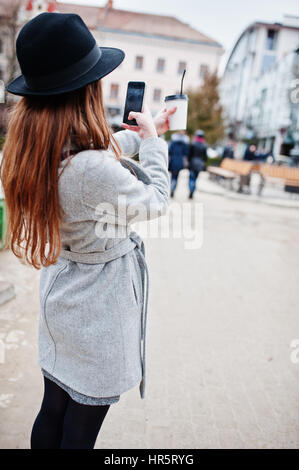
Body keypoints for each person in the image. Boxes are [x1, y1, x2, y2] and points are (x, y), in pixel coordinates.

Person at [1, 12, 176, 449]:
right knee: (80, 429)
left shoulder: (32, 145)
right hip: (96, 306)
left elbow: (93, 154)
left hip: (62, 294)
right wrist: (154, 145)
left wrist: (145, 133)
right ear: (85, 89)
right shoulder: (89, 169)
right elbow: (156, 200)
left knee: (54, 407)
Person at [168, 130, 189, 197]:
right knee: (176, 177)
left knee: (172, 176)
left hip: (173, 161)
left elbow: (169, 151)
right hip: (180, 162)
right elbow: (185, 154)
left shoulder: (173, 142)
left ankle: (172, 186)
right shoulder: (184, 143)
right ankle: (173, 188)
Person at [187, 129, 208, 199]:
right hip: (199, 164)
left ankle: (191, 188)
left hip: (192, 163)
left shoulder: (193, 143)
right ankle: (192, 190)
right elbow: (205, 157)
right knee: (195, 179)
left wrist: (189, 161)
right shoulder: (204, 145)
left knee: (191, 178)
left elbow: (189, 155)